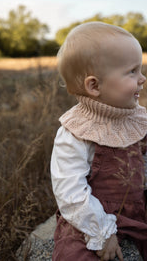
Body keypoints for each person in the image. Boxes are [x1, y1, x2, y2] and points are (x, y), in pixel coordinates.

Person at [50, 22, 147, 260]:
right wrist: (101, 231)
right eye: (132, 71)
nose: (142, 78)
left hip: (138, 208)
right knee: (74, 255)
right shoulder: (76, 132)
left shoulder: (137, 117)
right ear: (94, 85)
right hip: (94, 213)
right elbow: (70, 191)